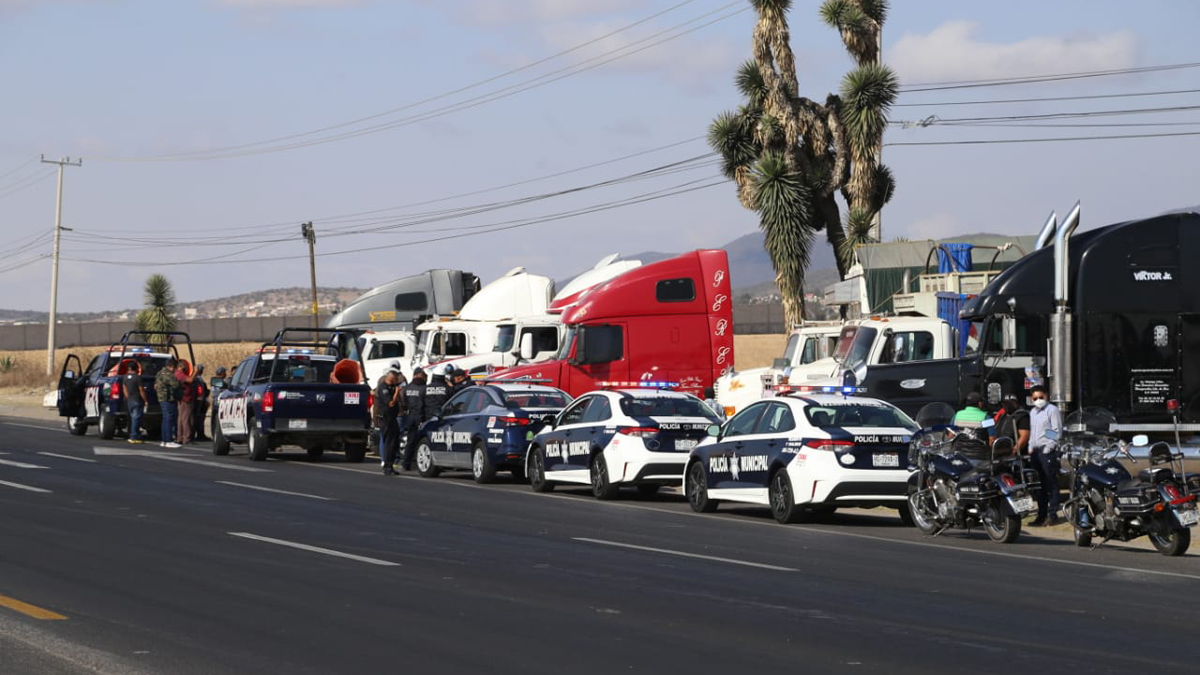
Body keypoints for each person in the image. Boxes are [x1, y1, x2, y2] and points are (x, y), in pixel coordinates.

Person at [1028, 385, 1064, 526]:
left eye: (1040, 397)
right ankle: (1041, 515)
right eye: (1035, 398)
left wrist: (1048, 447)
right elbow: (1033, 432)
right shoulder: (1032, 412)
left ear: (1047, 396)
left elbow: (1056, 431)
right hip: (1036, 451)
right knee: (1040, 485)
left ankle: (1052, 514)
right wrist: (1031, 446)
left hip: (1047, 451)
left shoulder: (1052, 410)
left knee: (1051, 482)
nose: (1038, 400)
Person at [374, 365, 404, 475]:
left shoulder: (391, 386)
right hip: (385, 419)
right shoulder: (383, 388)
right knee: (388, 443)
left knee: (394, 443)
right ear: (391, 376)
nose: (397, 379)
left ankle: (390, 465)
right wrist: (397, 392)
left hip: (392, 418)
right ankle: (387, 466)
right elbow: (391, 403)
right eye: (396, 376)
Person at [399, 368, 427, 471]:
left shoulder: (407, 388)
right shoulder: (424, 388)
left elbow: (404, 402)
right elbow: (426, 403)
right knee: (421, 440)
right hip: (420, 417)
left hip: (410, 416)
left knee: (410, 441)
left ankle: (406, 463)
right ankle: (418, 463)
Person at [155, 358, 182, 448]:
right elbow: (176, 385)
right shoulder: (168, 374)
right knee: (169, 419)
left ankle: (164, 440)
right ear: (171, 366)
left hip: (162, 399)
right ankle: (169, 440)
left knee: (165, 419)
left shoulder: (159, 373)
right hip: (168, 399)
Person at [122, 361, 149, 444]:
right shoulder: (138, 378)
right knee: (136, 419)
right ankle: (134, 436)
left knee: (132, 418)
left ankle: (134, 435)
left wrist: (128, 398)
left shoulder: (125, 377)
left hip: (130, 400)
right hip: (137, 400)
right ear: (136, 368)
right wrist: (145, 400)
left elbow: (124, 389)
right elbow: (141, 390)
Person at [176, 361, 196, 444]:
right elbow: (190, 380)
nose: (185, 369)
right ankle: (186, 438)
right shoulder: (180, 374)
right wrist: (196, 372)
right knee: (186, 419)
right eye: (184, 367)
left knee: (181, 418)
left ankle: (180, 437)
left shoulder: (178, 374)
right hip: (185, 399)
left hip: (183, 399)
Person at [192, 365, 210, 442]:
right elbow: (200, 391)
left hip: (199, 400)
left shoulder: (198, 379)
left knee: (200, 418)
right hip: (198, 401)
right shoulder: (197, 379)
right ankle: (196, 434)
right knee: (197, 417)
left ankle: (200, 434)